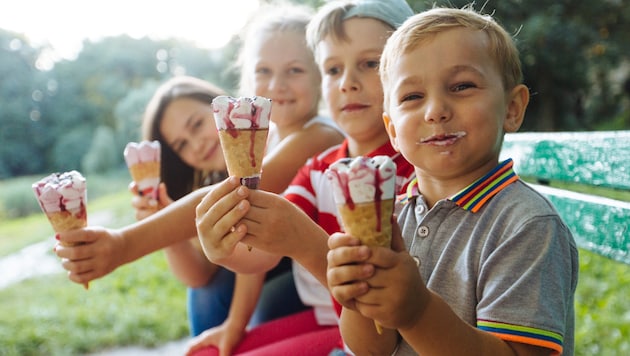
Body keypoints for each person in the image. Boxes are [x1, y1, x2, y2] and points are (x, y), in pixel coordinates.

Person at [54, 3, 344, 353]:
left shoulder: (319, 135)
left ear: (323, 73)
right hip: (309, 291)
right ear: (248, 81)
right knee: (207, 304)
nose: (276, 85)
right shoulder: (273, 142)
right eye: (263, 71)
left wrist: (122, 244)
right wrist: (233, 326)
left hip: (338, 302)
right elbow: (213, 266)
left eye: (294, 70)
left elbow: (239, 202)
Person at [326, 6, 579, 356]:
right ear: (393, 131)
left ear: (512, 108)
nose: (435, 110)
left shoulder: (525, 225)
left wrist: (417, 313)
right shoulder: (393, 217)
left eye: (461, 86)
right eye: (412, 97)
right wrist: (357, 298)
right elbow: (373, 349)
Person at [190, 0, 415, 354]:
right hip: (327, 318)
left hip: (377, 337)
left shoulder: (415, 173)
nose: (347, 83)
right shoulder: (318, 169)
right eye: (333, 69)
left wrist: (306, 243)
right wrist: (223, 246)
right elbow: (260, 255)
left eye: (369, 64)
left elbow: (390, 316)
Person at [127, 75, 303, 340]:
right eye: (182, 145)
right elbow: (198, 277)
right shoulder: (210, 184)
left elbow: (257, 231)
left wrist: (235, 322)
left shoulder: (274, 143)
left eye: (197, 125)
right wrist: (165, 223)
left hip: (299, 266)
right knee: (205, 293)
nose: (196, 145)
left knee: (266, 304)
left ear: (221, 106)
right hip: (256, 265)